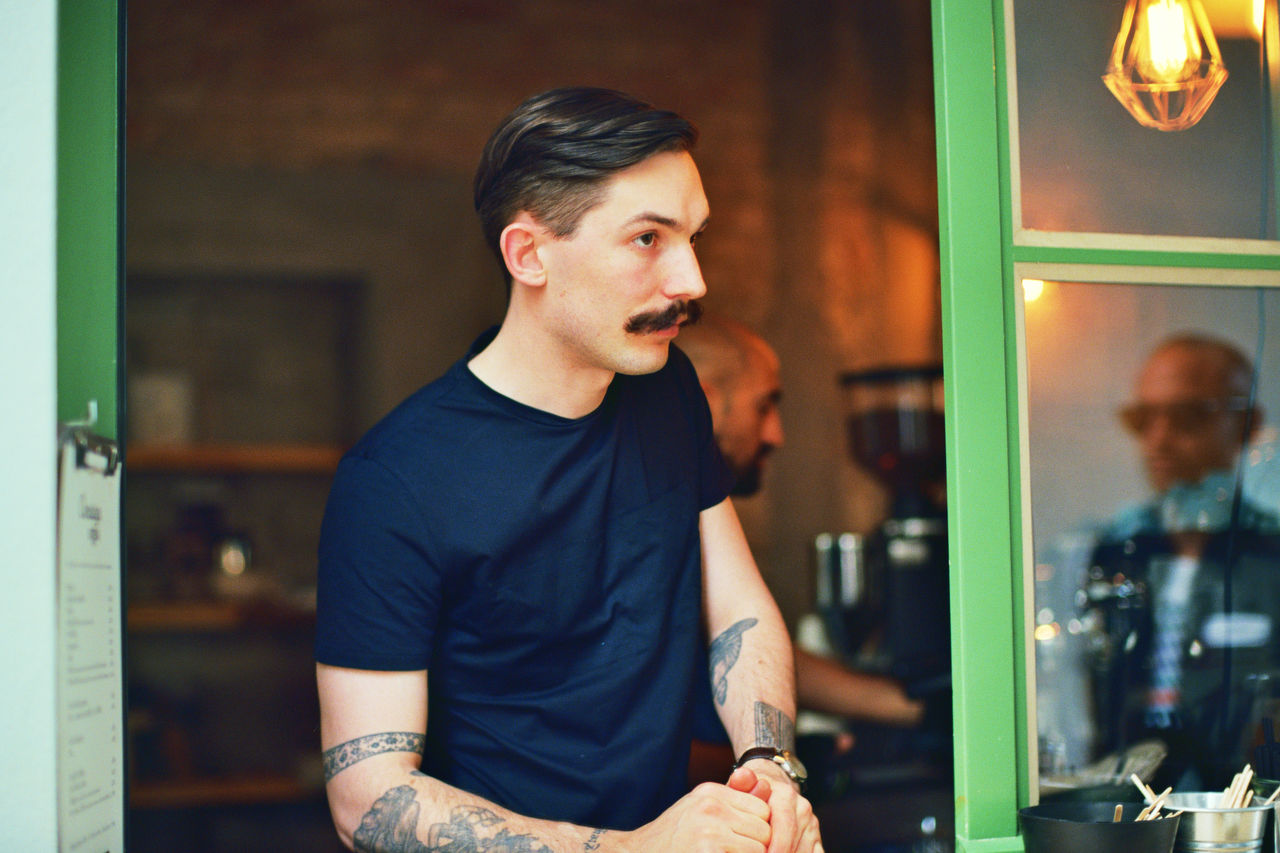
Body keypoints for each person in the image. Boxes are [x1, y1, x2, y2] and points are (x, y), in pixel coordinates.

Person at [314, 87, 822, 853]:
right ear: (529, 254)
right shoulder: (393, 480)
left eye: (693, 236)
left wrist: (768, 766)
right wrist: (628, 849)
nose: (692, 280)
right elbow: (367, 800)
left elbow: (736, 604)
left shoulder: (668, 389)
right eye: (648, 239)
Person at [678, 313, 926, 731]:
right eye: (764, 405)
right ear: (702, 405)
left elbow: (745, 640)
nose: (776, 434)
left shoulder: (701, 504)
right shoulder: (657, 515)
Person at [1081, 333, 1280, 790]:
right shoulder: (1117, 548)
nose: (1160, 439)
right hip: (1128, 794)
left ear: (1247, 424)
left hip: (1243, 800)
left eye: (1189, 416)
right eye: (1143, 418)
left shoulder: (1270, 551)